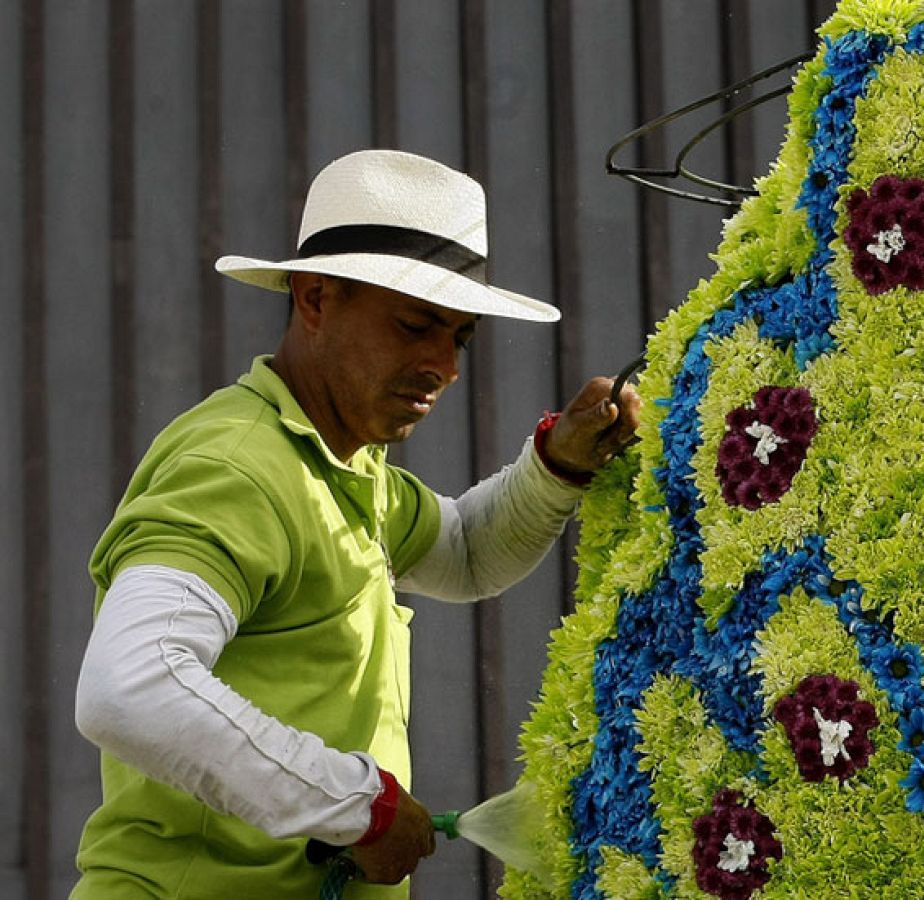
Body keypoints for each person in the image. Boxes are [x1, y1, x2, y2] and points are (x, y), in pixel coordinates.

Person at [70, 149, 642, 897]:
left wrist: (559, 464)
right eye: (415, 325)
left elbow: (465, 552)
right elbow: (129, 690)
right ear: (314, 298)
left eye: (460, 336)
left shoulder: (342, 465)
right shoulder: (235, 468)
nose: (446, 365)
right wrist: (358, 810)